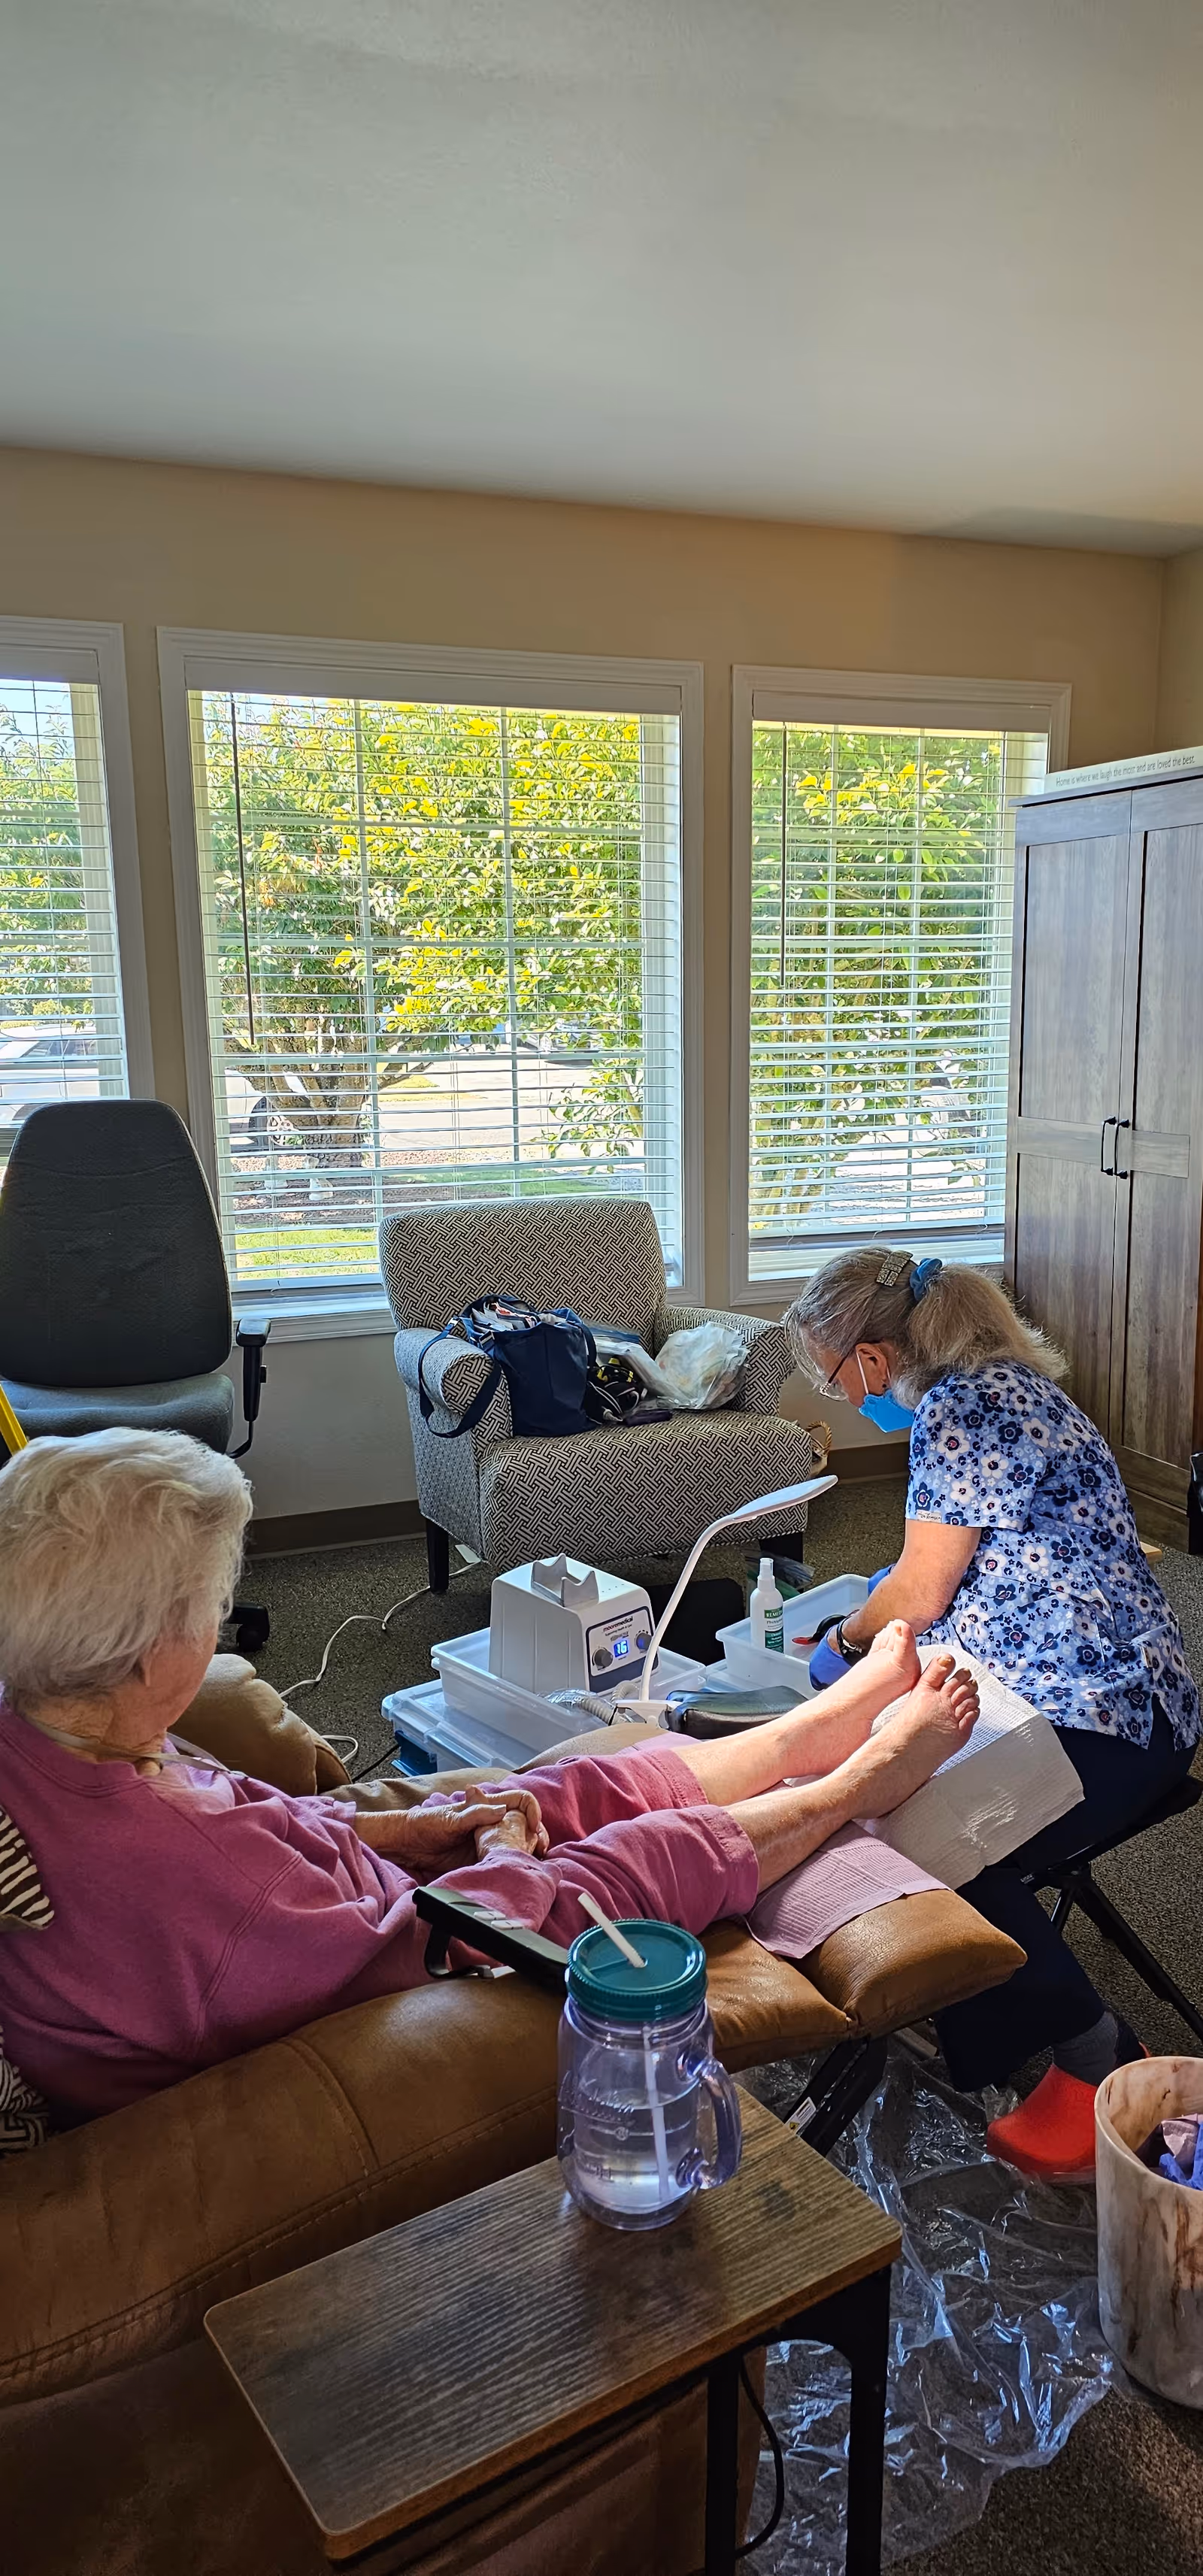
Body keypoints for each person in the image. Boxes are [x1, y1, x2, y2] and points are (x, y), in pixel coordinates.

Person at [0, 1428, 979, 2123]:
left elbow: (254, 1829)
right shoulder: (174, 1865)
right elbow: (395, 1957)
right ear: (141, 1649)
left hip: (318, 1917)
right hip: (376, 1974)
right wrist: (503, 1859)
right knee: (611, 1866)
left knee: (565, 1787)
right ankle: (859, 1781)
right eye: (209, 1604)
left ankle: (815, 1724)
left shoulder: (55, 1727)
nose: (220, 1620)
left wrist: (398, 1830)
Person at [786, 1244, 1201, 2184]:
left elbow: (922, 1592)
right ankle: (988, 2000)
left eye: (834, 1374)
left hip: (1101, 1721)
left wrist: (846, 1642)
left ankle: (1098, 2060)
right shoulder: (1009, 1382)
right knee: (902, 1794)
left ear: (874, 1356)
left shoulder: (958, 1412)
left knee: (912, 1840)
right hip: (1137, 1690)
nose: (844, 1397)